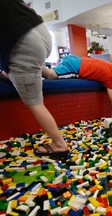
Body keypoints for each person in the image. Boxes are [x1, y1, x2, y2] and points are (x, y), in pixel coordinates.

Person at [0, 0, 69, 157]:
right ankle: (15, 77)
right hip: (39, 30)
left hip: (23, 42)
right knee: (27, 71)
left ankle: (59, 144)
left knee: (35, 103)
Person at [42, 55, 112, 117]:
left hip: (76, 59)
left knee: (54, 71)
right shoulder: (110, 79)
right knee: (50, 75)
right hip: (76, 68)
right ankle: (33, 64)